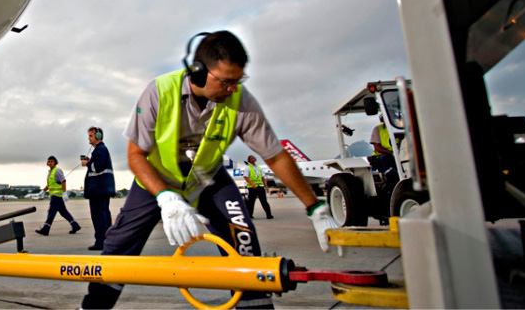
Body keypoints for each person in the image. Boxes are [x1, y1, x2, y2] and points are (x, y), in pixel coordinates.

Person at [80, 31, 338, 309]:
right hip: (157, 179)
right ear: (199, 73)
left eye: (239, 81)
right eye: (226, 82)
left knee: (243, 237)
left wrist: (314, 207)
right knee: (118, 249)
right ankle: (93, 307)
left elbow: (275, 156)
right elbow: (136, 155)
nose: (233, 90)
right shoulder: (159, 92)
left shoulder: (240, 101)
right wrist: (166, 198)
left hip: (207, 178)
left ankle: (254, 306)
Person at [82, 126, 116, 251]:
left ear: (98, 137)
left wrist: (87, 164)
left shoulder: (100, 150)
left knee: (98, 216)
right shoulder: (101, 150)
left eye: (91, 136)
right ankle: (107, 240)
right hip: (102, 189)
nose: (88, 138)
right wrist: (91, 161)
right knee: (104, 214)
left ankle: (101, 241)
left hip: (98, 189)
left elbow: (98, 167)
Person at [35, 156, 81, 236]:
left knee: (51, 213)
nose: (49, 162)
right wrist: (43, 191)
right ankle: (75, 225)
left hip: (57, 196)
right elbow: (50, 185)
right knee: (64, 213)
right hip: (55, 196)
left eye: (51, 161)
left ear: (55, 162)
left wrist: (64, 192)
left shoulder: (57, 171)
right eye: (48, 161)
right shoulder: (50, 173)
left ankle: (46, 229)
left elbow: (63, 181)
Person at [370, 115, 399, 194]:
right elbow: (377, 148)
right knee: (387, 159)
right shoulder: (378, 129)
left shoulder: (398, 128)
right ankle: (392, 186)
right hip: (383, 156)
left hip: (400, 153)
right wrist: (393, 153)